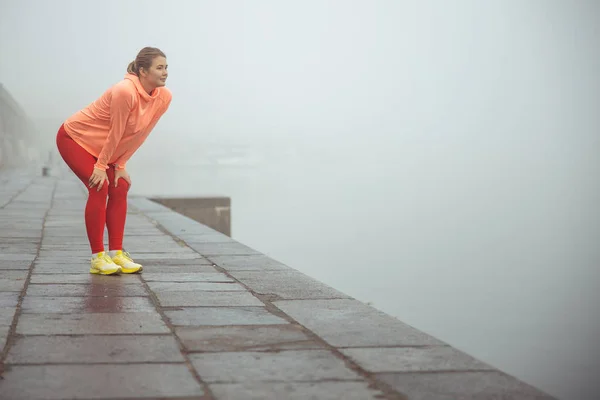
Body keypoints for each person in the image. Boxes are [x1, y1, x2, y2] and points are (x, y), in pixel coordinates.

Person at [56, 47, 172, 275]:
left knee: (121, 186)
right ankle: (98, 257)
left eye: (166, 67)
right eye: (159, 68)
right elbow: (116, 132)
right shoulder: (124, 92)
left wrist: (121, 165)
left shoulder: (163, 97)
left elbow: (139, 134)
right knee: (100, 187)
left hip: (103, 149)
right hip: (75, 138)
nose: (165, 72)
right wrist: (101, 167)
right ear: (142, 71)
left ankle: (116, 253)